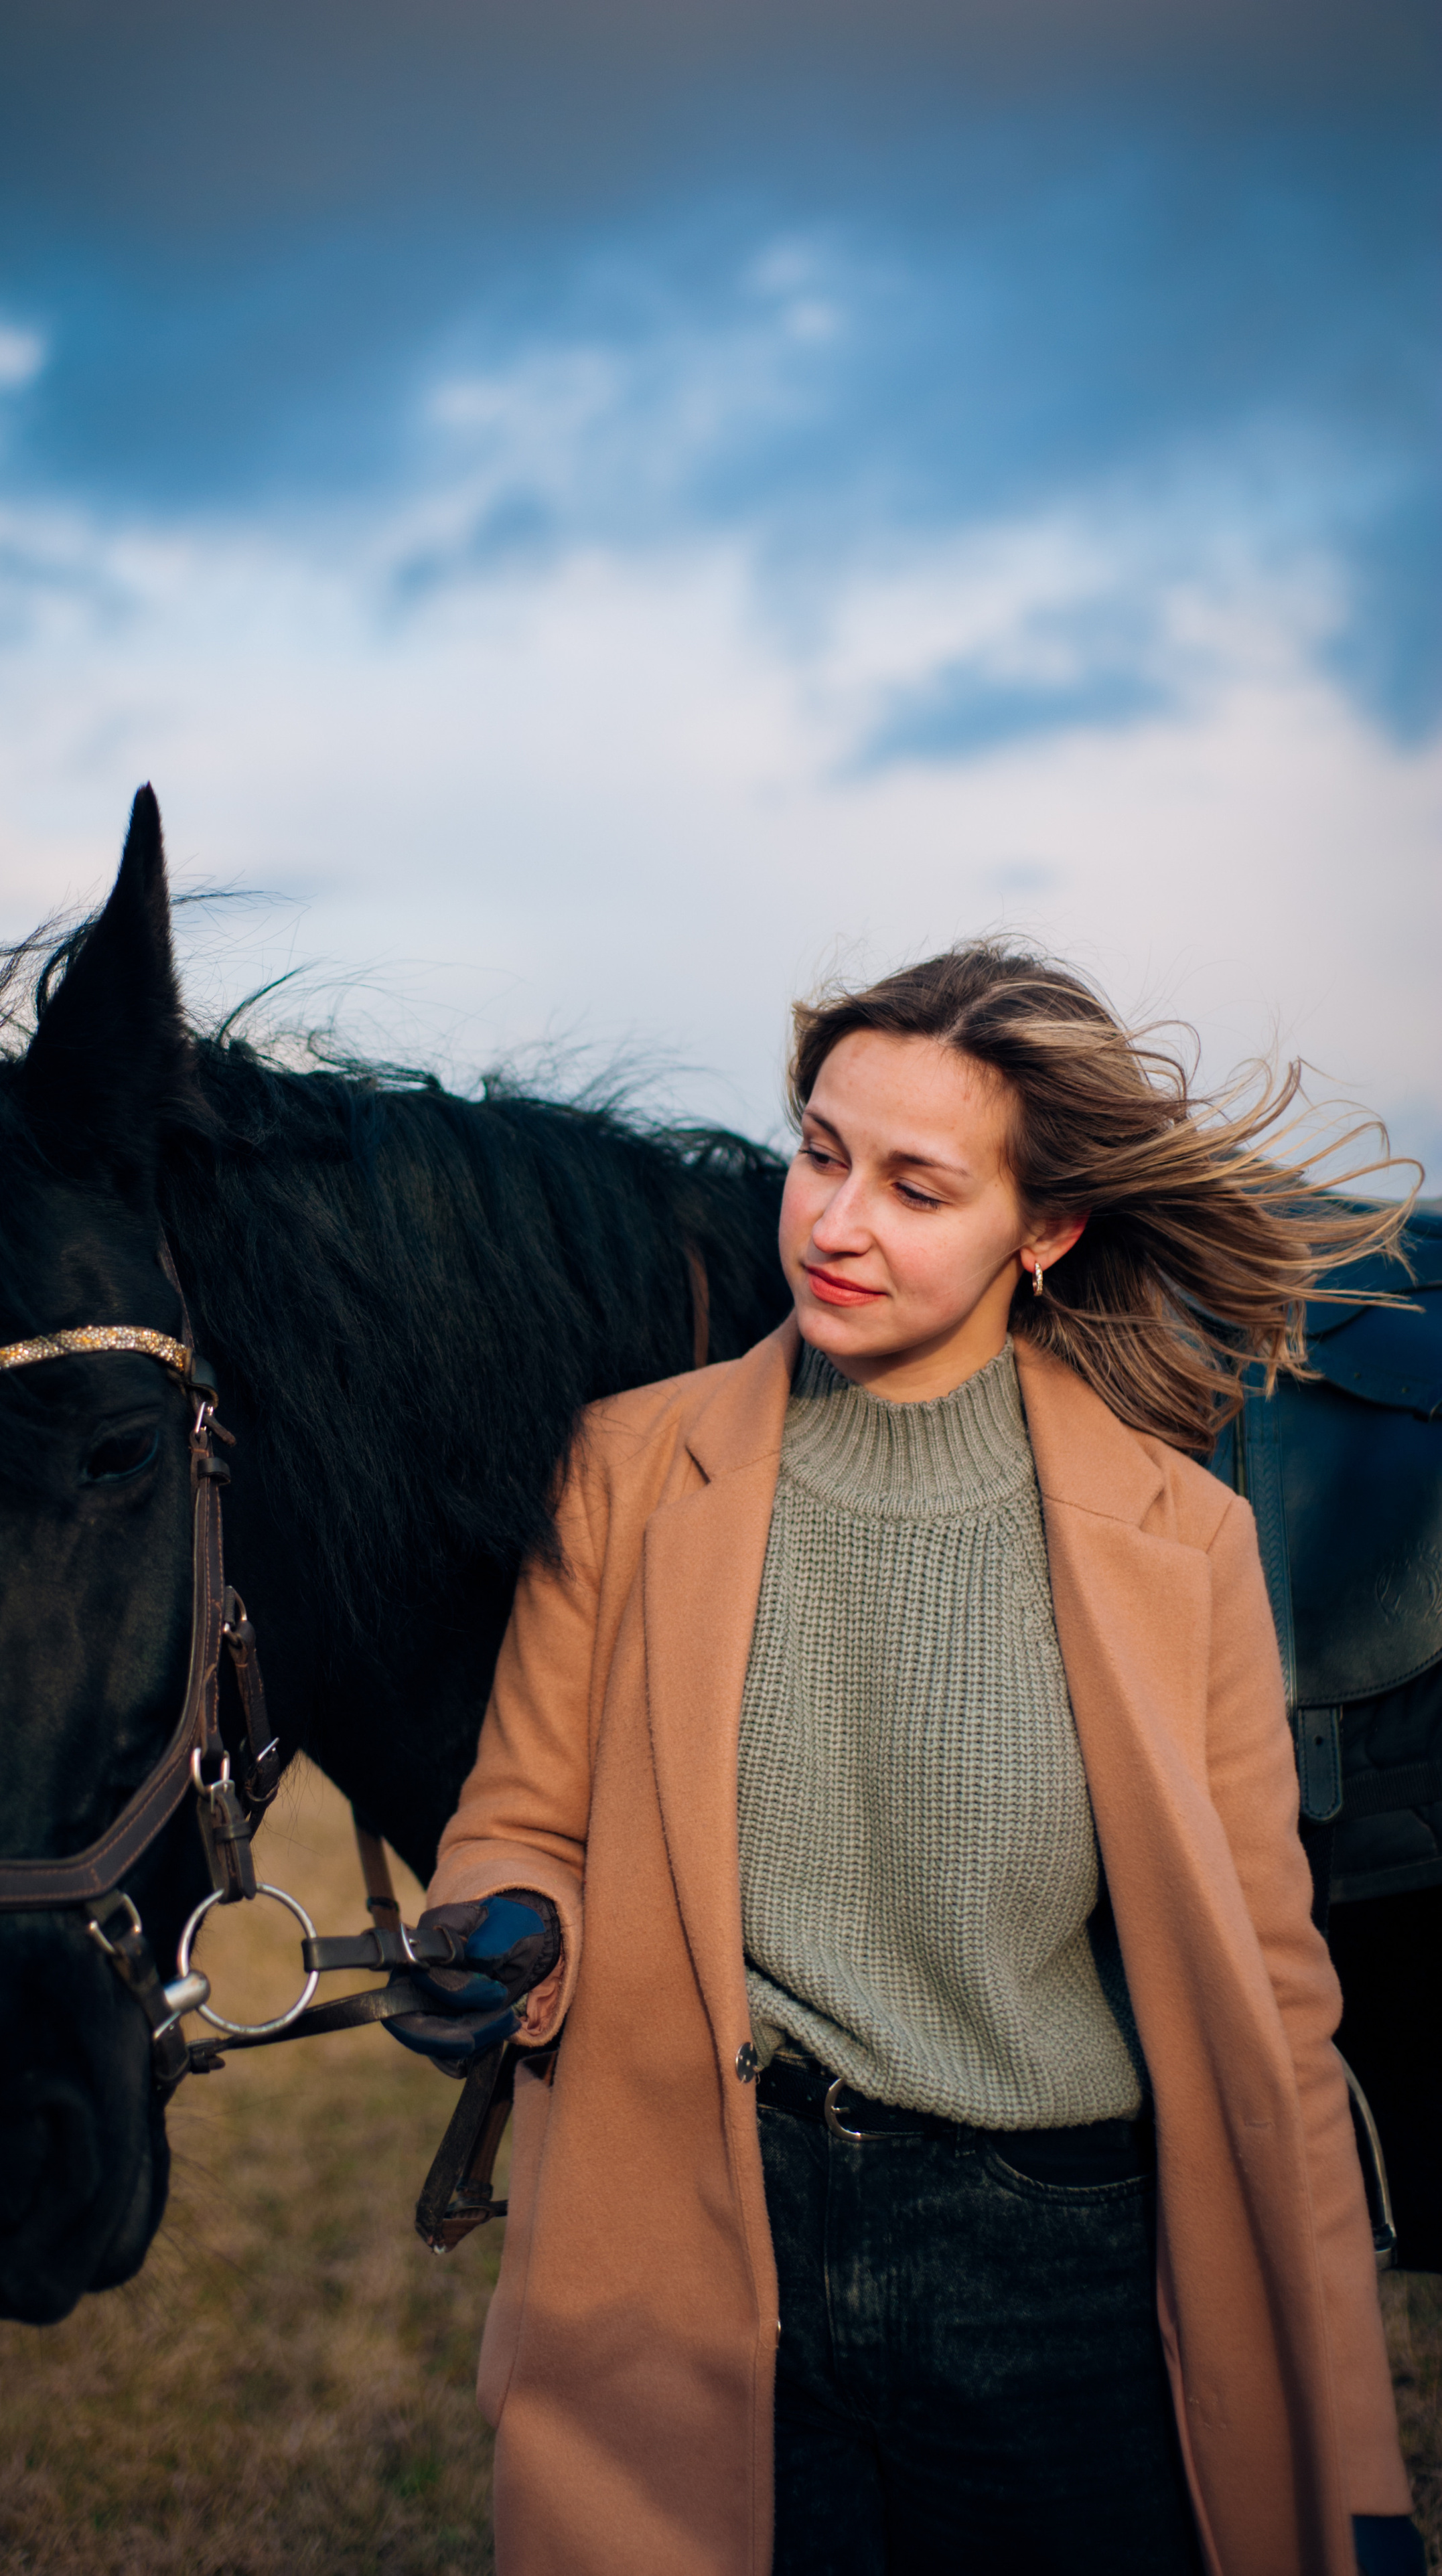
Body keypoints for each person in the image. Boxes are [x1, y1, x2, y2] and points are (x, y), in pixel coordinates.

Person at [387, 943, 1425, 2576]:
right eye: (817, 1152)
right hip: (705, 2224)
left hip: (1055, 2267)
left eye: (915, 1185)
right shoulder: (624, 1469)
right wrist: (502, 1923)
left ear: (1046, 1228)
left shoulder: (1185, 1539)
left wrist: (1340, 2455)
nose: (832, 1220)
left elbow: (1268, 2009)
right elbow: (518, 1823)